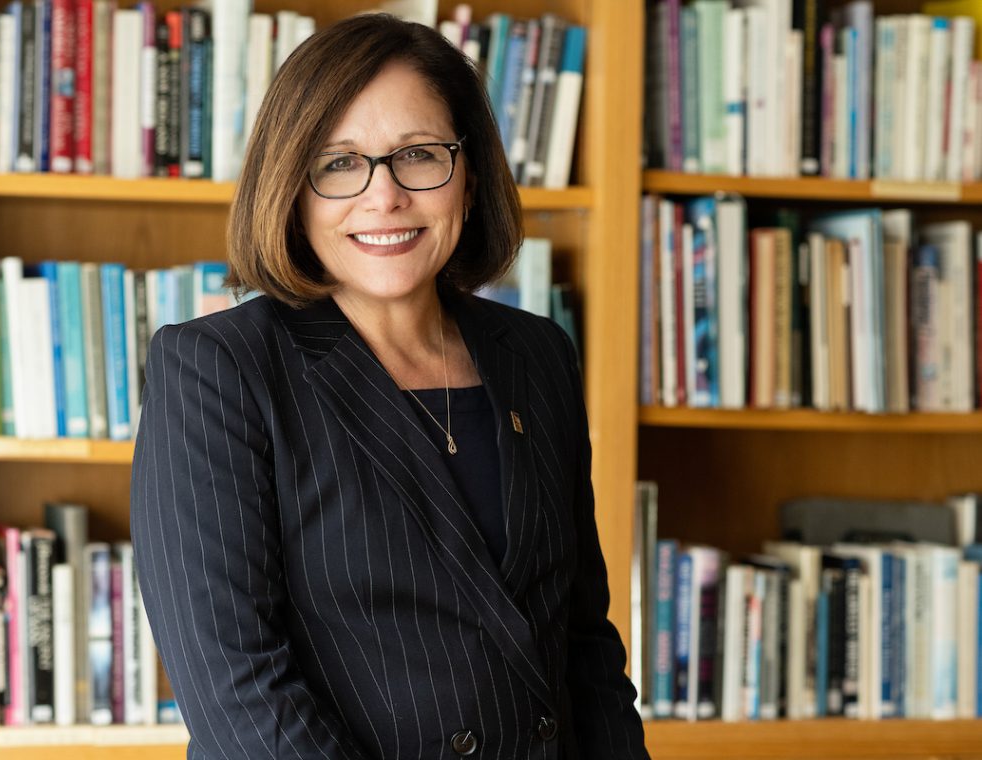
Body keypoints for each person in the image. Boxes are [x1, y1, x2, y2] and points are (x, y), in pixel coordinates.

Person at [131, 12, 648, 760]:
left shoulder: (537, 356)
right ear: (291, 189)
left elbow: (584, 647)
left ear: (468, 177)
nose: (384, 197)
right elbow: (239, 692)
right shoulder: (219, 370)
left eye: (418, 155)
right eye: (339, 163)